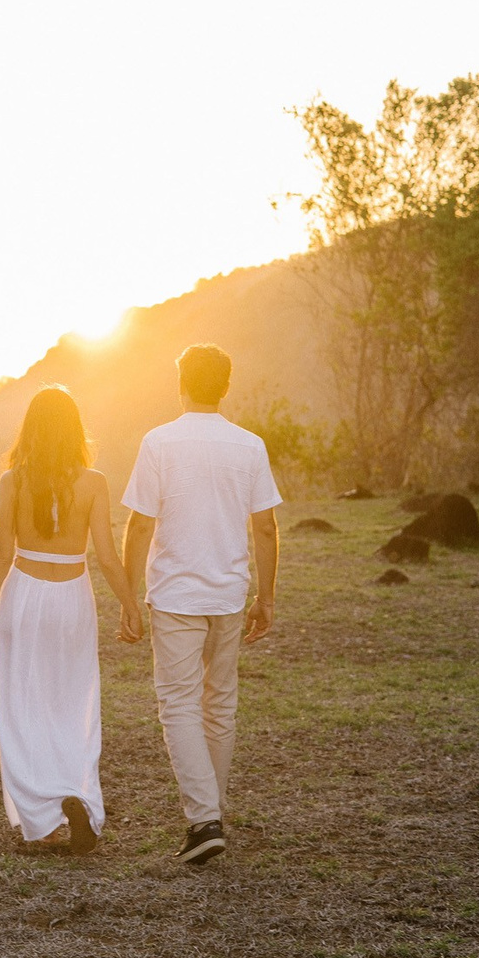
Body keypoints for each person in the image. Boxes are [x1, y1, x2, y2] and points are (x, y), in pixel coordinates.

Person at [0, 386, 139, 853]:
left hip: (25, 595)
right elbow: (107, 557)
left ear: (30, 429)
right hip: (73, 598)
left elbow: (0, 556)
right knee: (72, 701)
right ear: (75, 430)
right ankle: (75, 793)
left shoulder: (12, 481)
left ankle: (43, 815)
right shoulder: (94, 482)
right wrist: (130, 606)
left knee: (22, 706)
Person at [119, 343, 281, 865]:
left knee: (179, 704)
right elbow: (265, 527)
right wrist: (265, 597)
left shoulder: (158, 442)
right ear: (226, 386)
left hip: (175, 595)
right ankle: (211, 813)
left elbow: (140, 525)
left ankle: (204, 819)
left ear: (181, 383)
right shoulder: (249, 445)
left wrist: (127, 598)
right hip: (229, 594)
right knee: (220, 703)